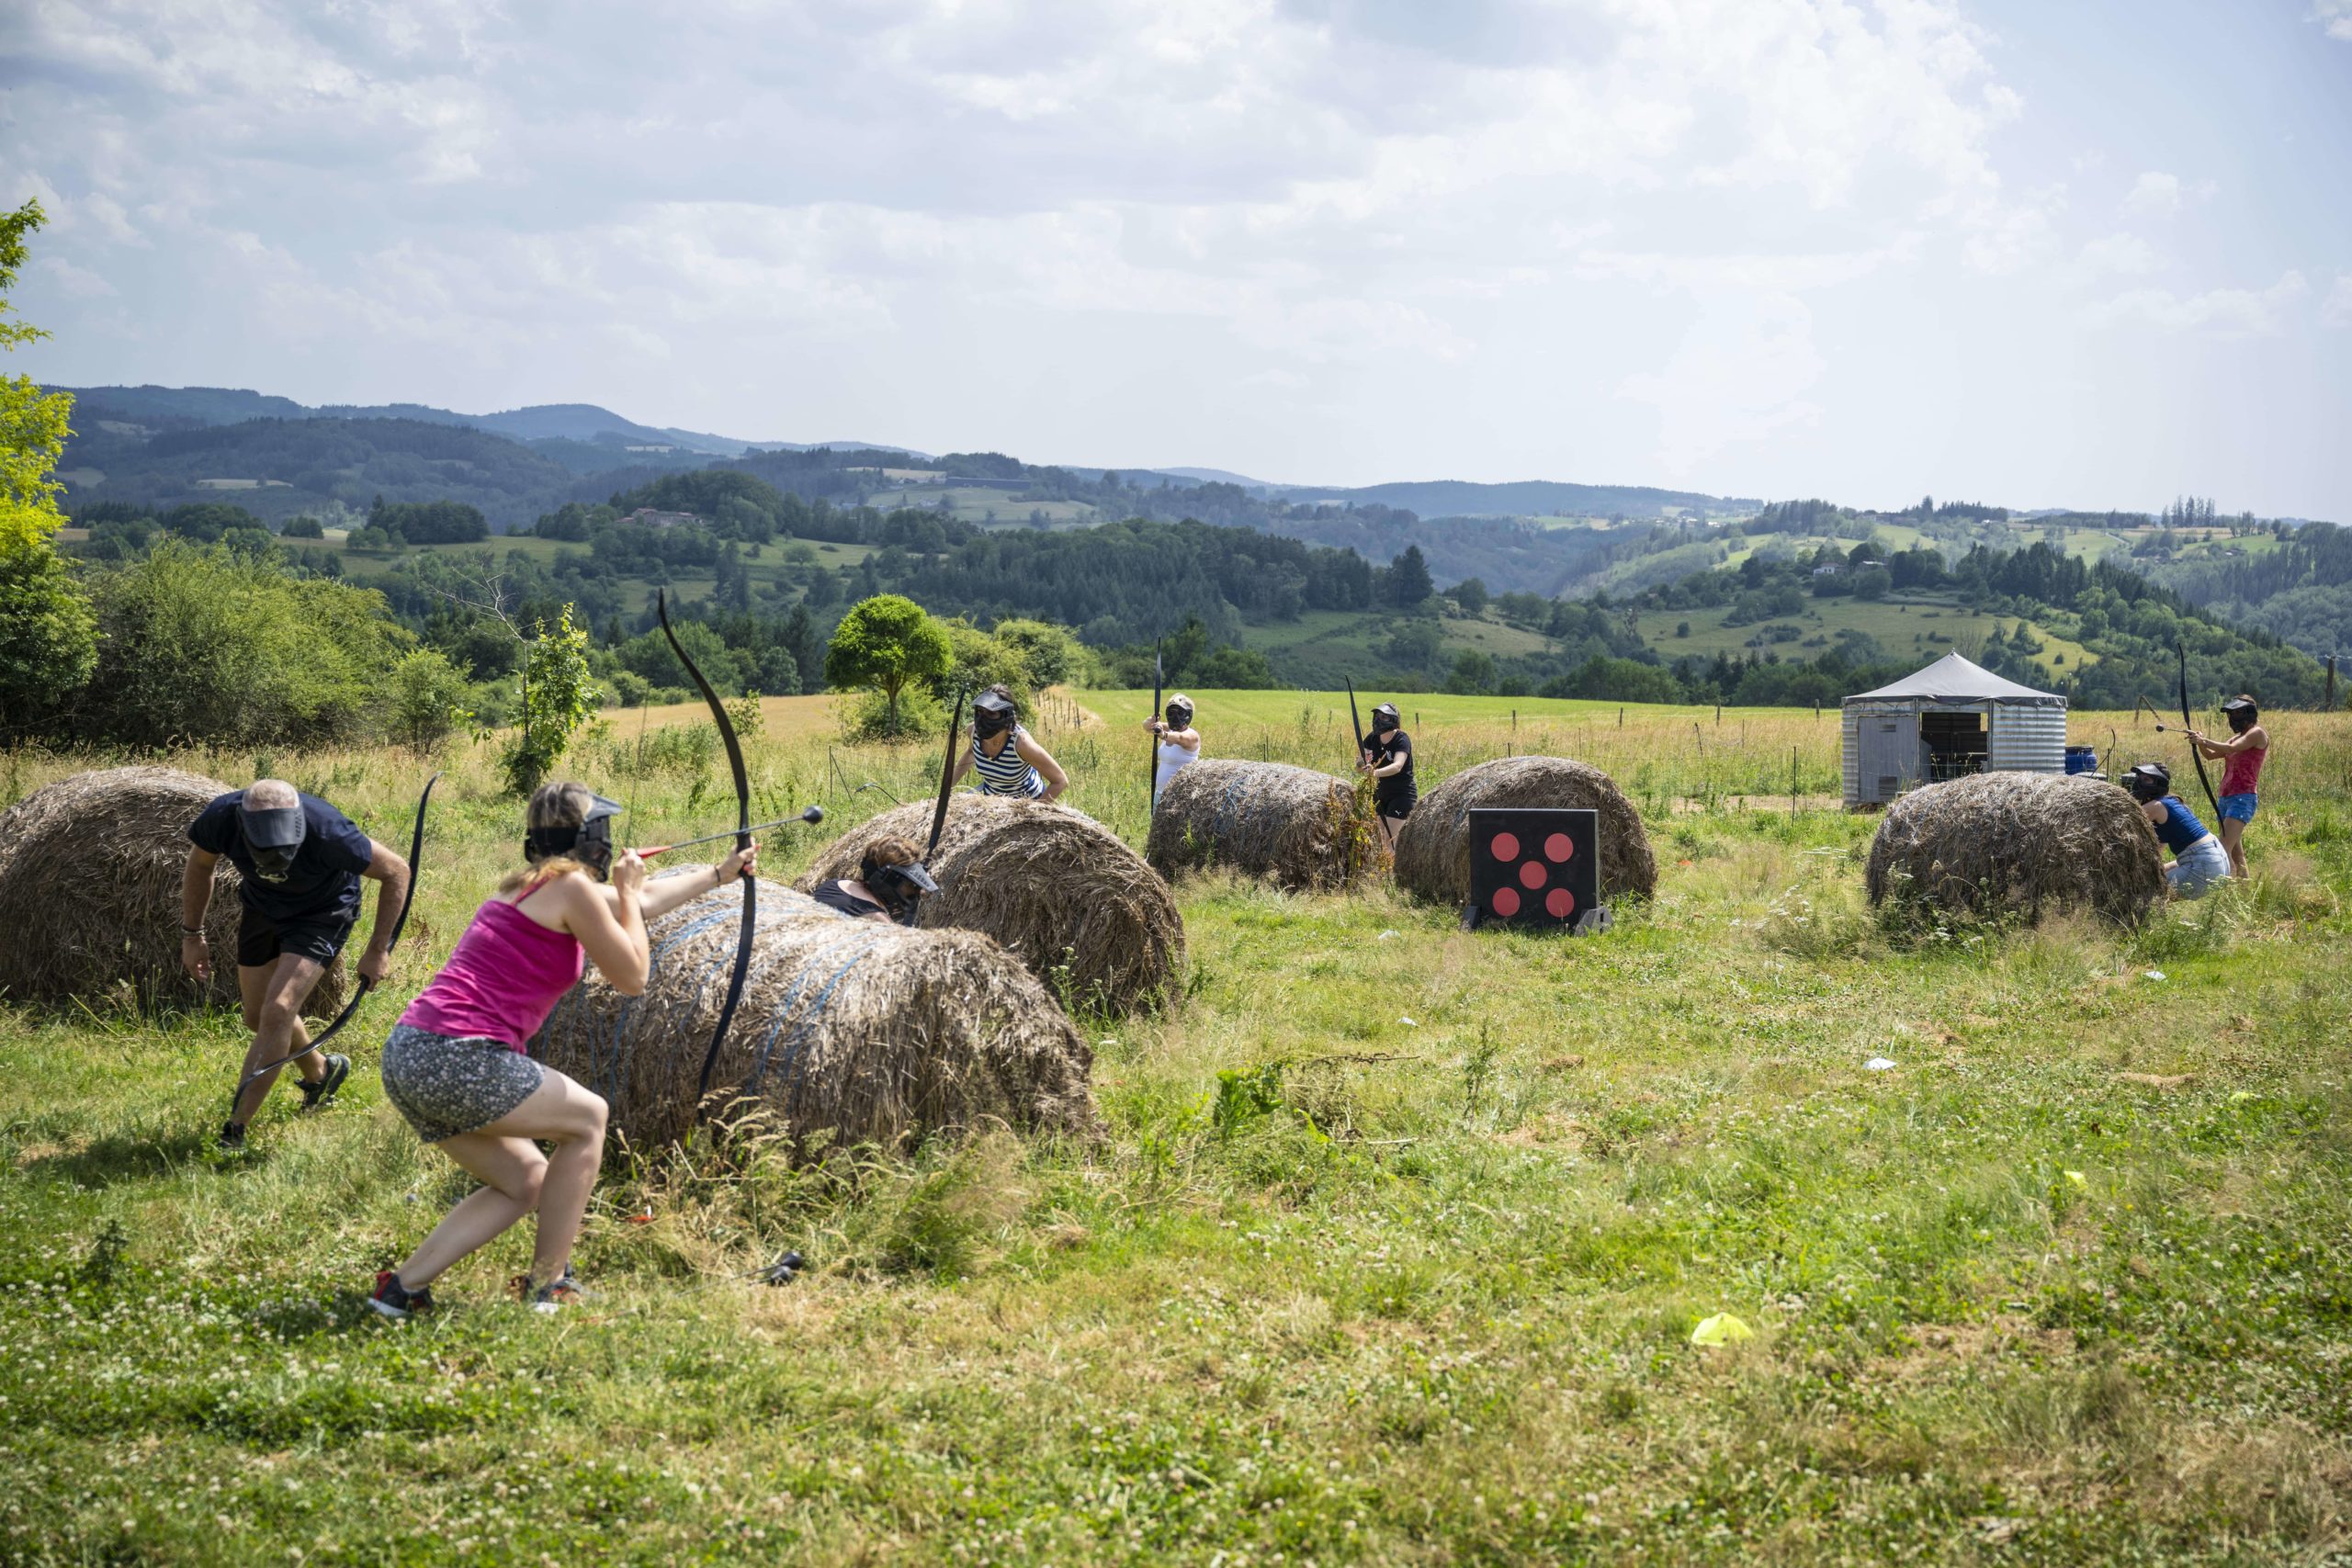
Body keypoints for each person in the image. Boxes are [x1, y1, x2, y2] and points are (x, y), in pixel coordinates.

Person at [367, 783, 756, 1318]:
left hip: (411, 1053)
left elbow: (642, 904)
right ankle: (548, 1285)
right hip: (458, 1055)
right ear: (591, 837)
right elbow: (634, 977)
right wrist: (626, 893)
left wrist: (719, 873)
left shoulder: (530, 887)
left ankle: (400, 1289)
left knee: (524, 1180)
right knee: (589, 1118)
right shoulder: (572, 888)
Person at [182, 778, 413, 1154]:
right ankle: (322, 1072)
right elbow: (200, 865)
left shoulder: (328, 830)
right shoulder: (221, 818)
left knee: (279, 1009)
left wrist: (378, 949)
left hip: (322, 913)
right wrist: (193, 935)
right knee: (257, 1018)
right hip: (263, 907)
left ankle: (235, 1129)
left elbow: (396, 870)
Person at [2185, 694, 2268, 880]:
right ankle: (2244, 891)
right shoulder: (2235, 738)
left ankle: (2226, 890)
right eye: (2231, 713)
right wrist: (2199, 741)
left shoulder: (2256, 733)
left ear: (2249, 712)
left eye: (2237, 712)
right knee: (2236, 854)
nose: (2233, 717)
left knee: (2222, 849)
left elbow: (2231, 749)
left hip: (2243, 797)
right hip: (2226, 797)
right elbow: (2210, 755)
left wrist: (2203, 741)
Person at [2125, 762, 2230, 899]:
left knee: (2147, 894)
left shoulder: (2155, 806)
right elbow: (2157, 852)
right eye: (2139, 778)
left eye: (2146, 779)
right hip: (2217, 859)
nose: (2139, 783)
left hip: (2202, 862)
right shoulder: (2171, 801)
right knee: (2159, 874)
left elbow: (2121, 827)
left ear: (2159, 783)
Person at [950, 685, 1069, 803]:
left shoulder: (1021, 744)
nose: (983, 718)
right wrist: (947, 788)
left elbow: (1060, 781)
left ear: (1006, 714)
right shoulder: (973, 732)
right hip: (993, 803)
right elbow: (971, 753)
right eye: (980, 711)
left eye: (991, 713)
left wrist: (1035, 810)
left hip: (1027, 803)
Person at [809, 834, 939, 924]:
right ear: (889, 879)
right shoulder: (879, 921)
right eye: (910, 884)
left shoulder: (834, 885)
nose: (914, 892)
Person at [1359, 702, 1417, 852]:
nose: (1378, 720)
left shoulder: (1401, 739)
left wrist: (1375, 772)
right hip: (1378, 794)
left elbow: (1398, 766)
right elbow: (1359, 763)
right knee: (1378, 842)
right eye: (1377, 716)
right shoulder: (1372, 738)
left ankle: (1392, 868)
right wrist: (1362, 764)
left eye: (1383, 717)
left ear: (1393, 720)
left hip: (1401, 795)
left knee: (1390, 842)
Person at [1148, 693, 1201, 806]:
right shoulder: (1170, 730)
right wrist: (1153, 721)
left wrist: (1163, 734)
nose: (1175, 717)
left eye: (1180, 713)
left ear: (1188, 715)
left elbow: (1179, 737)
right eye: (1172, 713)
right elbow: (1146, 726)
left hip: (1180, 796)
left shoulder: (1192, 736)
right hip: (1160, 794)